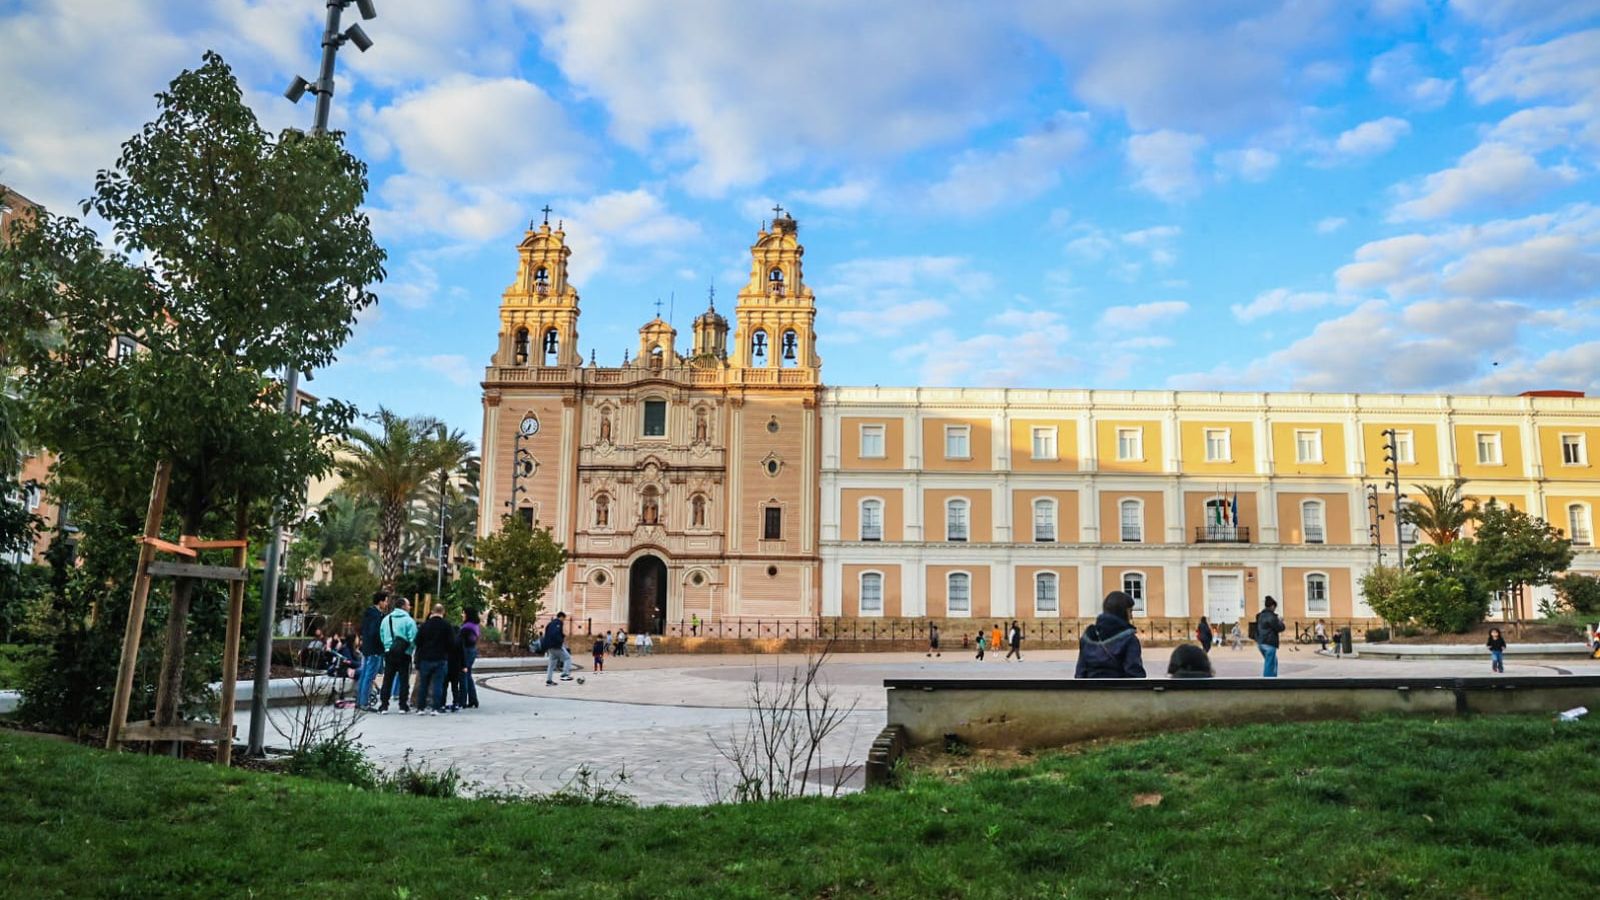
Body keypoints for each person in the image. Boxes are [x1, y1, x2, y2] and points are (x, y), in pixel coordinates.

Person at [1075, 591, 1147, 678]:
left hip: (1090, 686)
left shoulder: (1089, 636)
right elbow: (1134, 674)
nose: (1131, 616)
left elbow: (1080, 673)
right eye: (1130, 611)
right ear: (1122, 612)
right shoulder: (1129, 639)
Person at [377, 597, 417, 714]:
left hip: (389, 652)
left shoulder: (386, 619)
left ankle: (384, 705)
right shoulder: (409, 621)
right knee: (404, 680)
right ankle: (402, 705)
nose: (410, 607)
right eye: (408, 605)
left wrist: (387, 646)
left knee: (387, 679)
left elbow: (382, 635)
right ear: (403, 606)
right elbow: (414, 638)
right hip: (404, 653)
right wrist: (409, 649)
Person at [413, 604, 453, 716]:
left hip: (425, 658)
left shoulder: (425, 625)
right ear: (443, 612)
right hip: (440, 658)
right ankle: (435, 708)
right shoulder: (447, 625)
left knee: (424, 684)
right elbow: (451, 643)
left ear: (432, 611)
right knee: (438, 684)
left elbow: (417, 641)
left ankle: (421, 708)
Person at [357, 591, 390, 710]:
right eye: (385, 601)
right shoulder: (376, 615)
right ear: (380, 601)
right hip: (375, 649)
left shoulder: (368, 613)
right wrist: (381, 643)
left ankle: (360, 701)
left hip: (367, 648)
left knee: (364, 675)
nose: (386, 604)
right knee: (369, 676)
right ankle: (364, 703)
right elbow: (375, 632)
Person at [1256, 596, 1286, 677]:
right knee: (1269, 664)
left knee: (1273, 661)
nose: (1275, 609)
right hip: (1269, 643)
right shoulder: (1271, 616)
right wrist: (1281, 621)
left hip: (1260, 642)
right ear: (1272, 606)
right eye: (1274, 607)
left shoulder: (1260, 615)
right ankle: (1268, 681)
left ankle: (1273, 678)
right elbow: (1280, 628)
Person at [542, 611, 574, 685]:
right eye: (564, 619)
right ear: (561, 617)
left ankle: (549, 680)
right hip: (556, 646)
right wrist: (560, 640)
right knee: (567, 658)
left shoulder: (550, 623)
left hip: (549, 647)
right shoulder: (558, 623)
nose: (564, 621)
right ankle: (565, 674)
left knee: (551, 664)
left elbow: (547, 634)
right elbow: (555, 633)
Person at [458, 608, 481, 709]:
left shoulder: (466, 627)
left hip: (466, 651)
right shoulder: (474, 625)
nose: (462, 615)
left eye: (464, 613)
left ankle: (462, 700)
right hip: (472, 650)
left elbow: (461, 641)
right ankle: (473, 699)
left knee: (463, 675)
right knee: (468, 675)